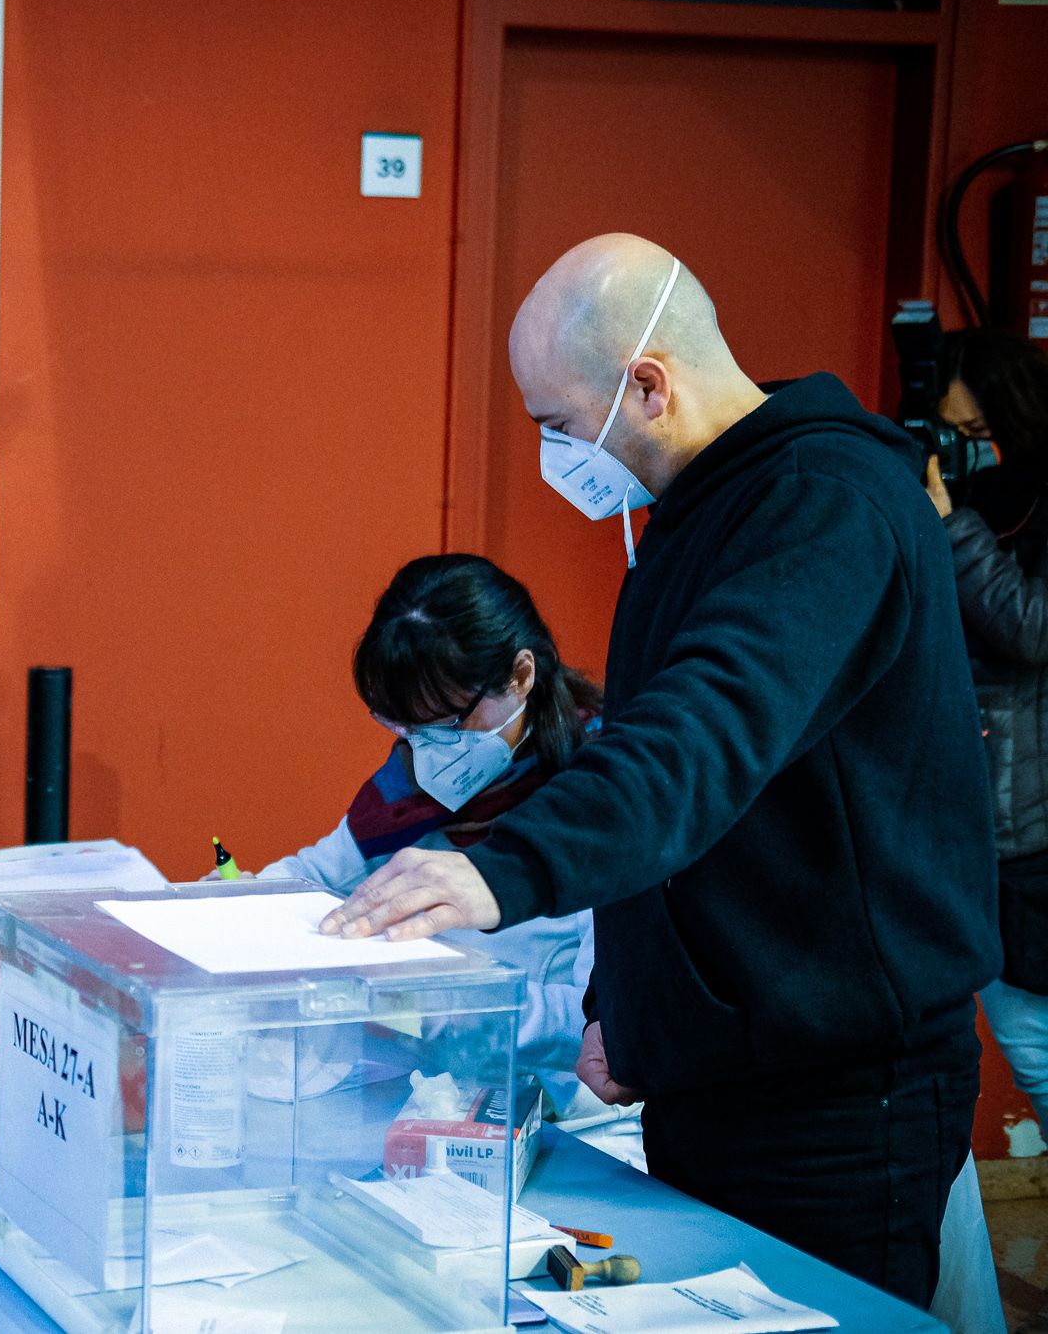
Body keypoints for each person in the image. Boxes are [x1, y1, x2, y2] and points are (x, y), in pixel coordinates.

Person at [320, 233, 1000, 1309]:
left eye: (556, 425)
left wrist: (505, 868)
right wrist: (622, 1011)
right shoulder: (695, 519)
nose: (555, 456)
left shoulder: (822, 506)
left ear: (644, 384)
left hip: (829, 1091)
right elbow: (689, 823)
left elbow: (699, 736)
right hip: (710, 1077)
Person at [238, 554, 641, 1161]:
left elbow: (604, 1028)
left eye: (448, 724)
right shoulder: (407, 788)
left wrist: (454, 1001)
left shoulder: (606, 799)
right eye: (406, 729)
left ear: (521, 674)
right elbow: (319, 872)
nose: (428, 754)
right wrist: (244, 902)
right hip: (430, 1109)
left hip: (571, 1131)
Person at [924, 330, 1048, 1128]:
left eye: (978, 435)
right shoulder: (980, 506)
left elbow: (1034, 626)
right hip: (980, 827)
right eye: (953, 435)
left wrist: (948, 524)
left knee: (1037, 1047)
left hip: (1033, 834)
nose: (971, 454)